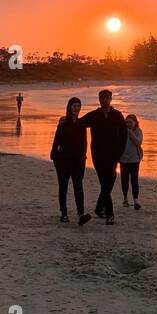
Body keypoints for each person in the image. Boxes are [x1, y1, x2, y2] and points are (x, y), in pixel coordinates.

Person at [79, 89, 127, 223]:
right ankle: (110, 214)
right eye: (101, 98)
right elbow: (78, 123)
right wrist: (65, 119)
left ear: (111, 99)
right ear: (99, 99)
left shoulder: (117, 115)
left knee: (108, 184)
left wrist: (120, 153)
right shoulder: (94, 115)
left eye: (106, 98)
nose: (104, 100)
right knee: (104, 183)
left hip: (114, 155)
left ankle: (99, 208)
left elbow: (124, 135)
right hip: (98, 156)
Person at [50, 96, 91, 226]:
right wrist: (54, 155)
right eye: (74, 106)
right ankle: (64, 213)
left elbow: (85, 143)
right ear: (69, 107)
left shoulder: (81, 124)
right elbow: (56, 141)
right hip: (63, 160)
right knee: (63, 186)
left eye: (78, 106)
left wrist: (84, 157)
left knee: (78, 186)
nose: (77, 108)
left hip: (78, 161)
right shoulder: (63, 124)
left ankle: (81, 214)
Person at [120, 113, 143, 210]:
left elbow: (138, 142)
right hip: (123, 159)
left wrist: (130, 133)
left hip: (134, 159)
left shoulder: (138, 131)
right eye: (127, 122)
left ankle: (136, 200)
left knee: (134, 180)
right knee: (124, 180)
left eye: (130, 122)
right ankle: (125, 198)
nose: (128, 124)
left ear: (135, 123)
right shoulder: (122, 131)